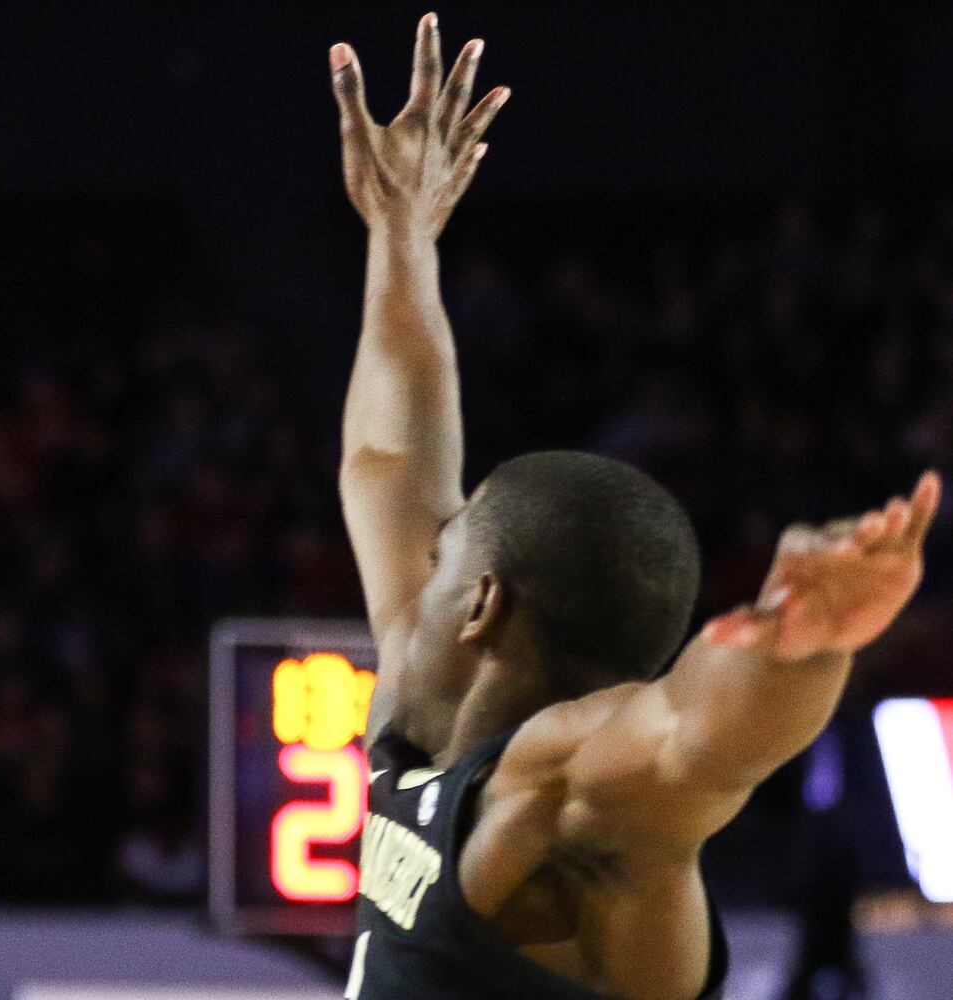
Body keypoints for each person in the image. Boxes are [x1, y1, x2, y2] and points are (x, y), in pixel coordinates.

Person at [327, 15, 940, 1000]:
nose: (419, 543)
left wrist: (801, 650)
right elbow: (384, 456)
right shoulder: (427, 708)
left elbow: (692, 745)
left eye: (444, 542)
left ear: (482, 604)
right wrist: (398, 233)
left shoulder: (555, 802)